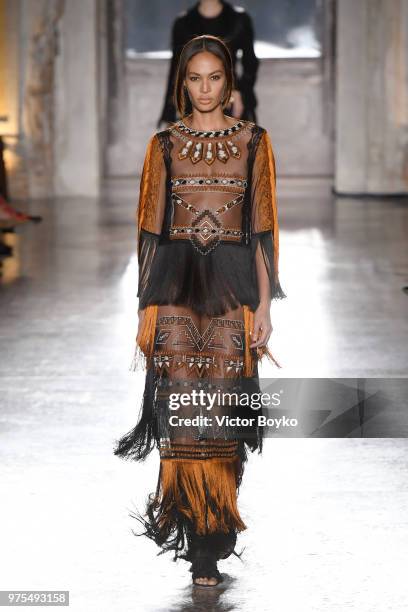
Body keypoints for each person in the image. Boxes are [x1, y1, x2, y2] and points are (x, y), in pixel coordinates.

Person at [114, 34, 286, 588]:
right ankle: (201, 550)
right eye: (195, 78)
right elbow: (150, 230)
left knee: (223, 419)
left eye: (215, 77)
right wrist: (146, 307)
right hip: (175, 289)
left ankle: (218, 528)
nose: (205, 88)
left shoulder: (255, 142)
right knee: (184, 419)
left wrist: (264, 308)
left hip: (233, 291)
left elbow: (261, 230)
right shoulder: (162, 146)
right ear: (181, 83)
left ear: (229, 82)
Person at [157, 0, 259, 128]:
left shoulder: (239, 20)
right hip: (193, 103)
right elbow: (176, 70)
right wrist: (169, 113)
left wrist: (241, 94)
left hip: (231, 101)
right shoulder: (183, 23)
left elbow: (250, 63)